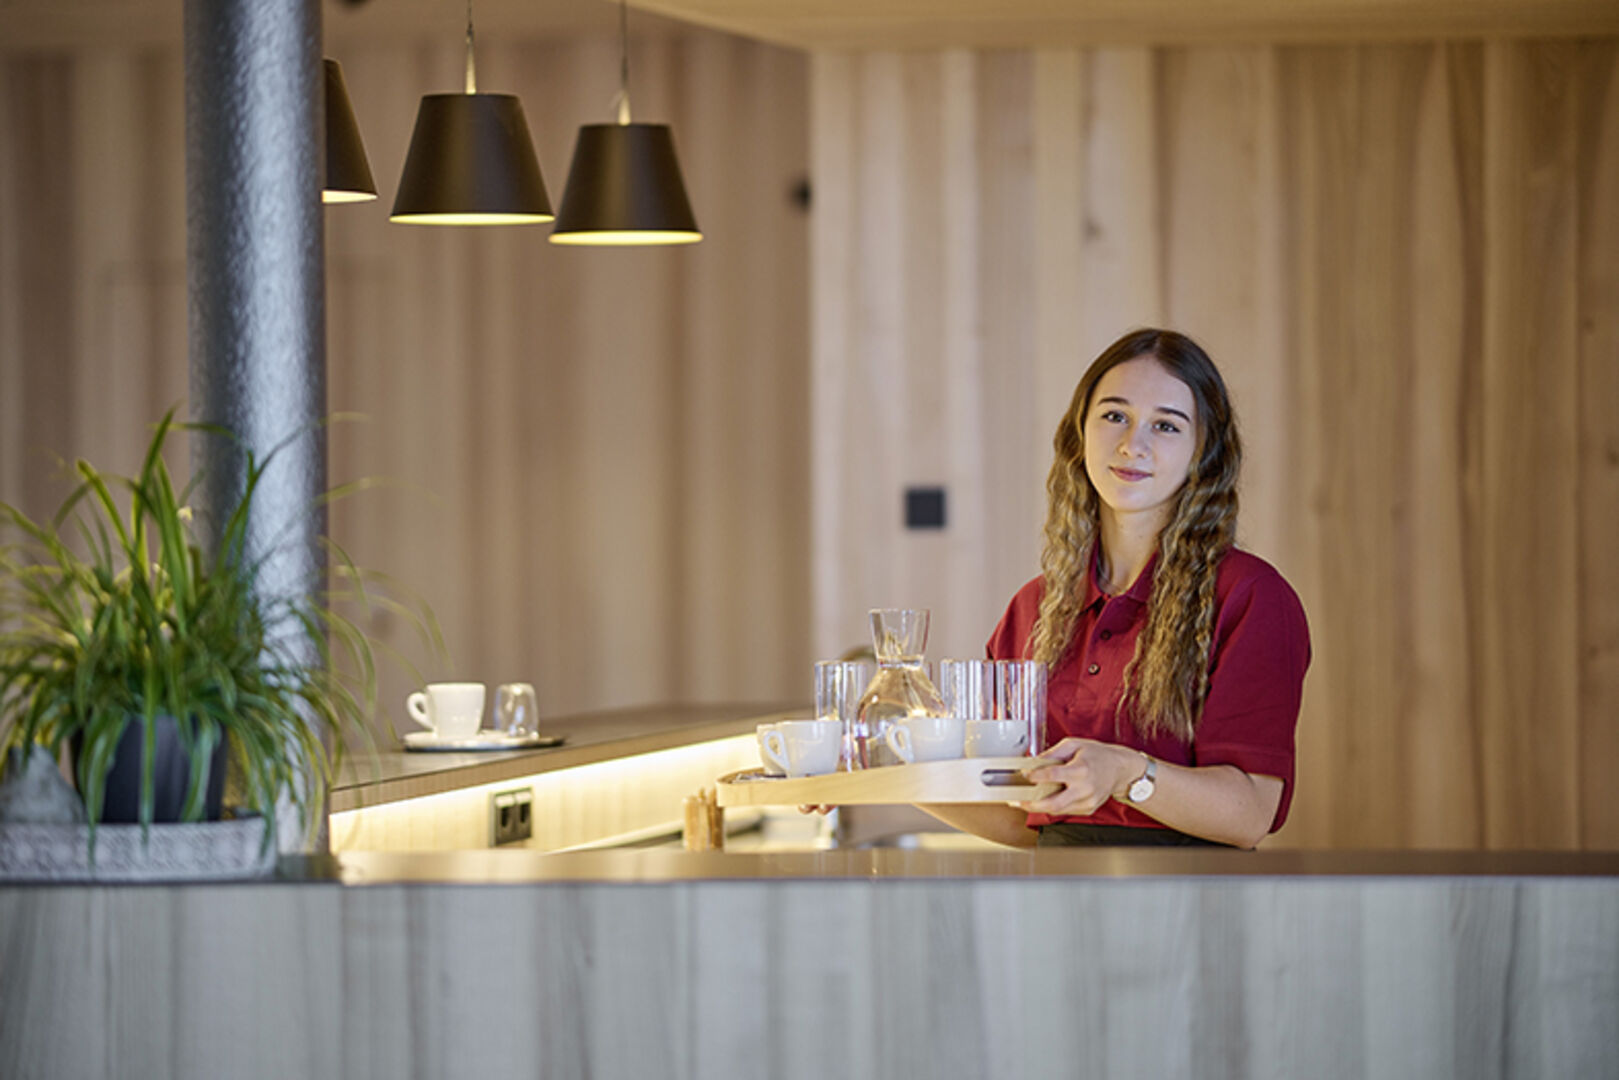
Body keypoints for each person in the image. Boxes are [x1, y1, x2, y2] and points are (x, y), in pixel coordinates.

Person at [926, 327, 1310, 848]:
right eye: (1114, 416)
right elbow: (1028, 820)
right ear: (1079, 432)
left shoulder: (1250, 596)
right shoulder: (1032, 608)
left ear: (1204, 453)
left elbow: (1248, 816)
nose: (1134, 445)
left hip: (1189, 911)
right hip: (1056, 904)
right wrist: (873, 776)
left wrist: (1127, 773)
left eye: (1167, 426)